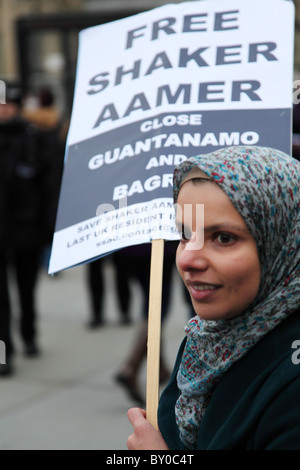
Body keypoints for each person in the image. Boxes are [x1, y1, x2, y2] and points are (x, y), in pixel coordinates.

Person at [127, 145, 300, 450]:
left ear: (283, 242)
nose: (187, 260)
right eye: (184, 234)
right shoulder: (208, 337)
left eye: (223, 238)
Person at [0, 82, 57, 376]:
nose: (3, 110)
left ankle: (29, 334)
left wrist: (47, 227)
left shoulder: (33, 138)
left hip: (27, 230)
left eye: (7, 104)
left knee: (26, 290)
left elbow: (48, 186)